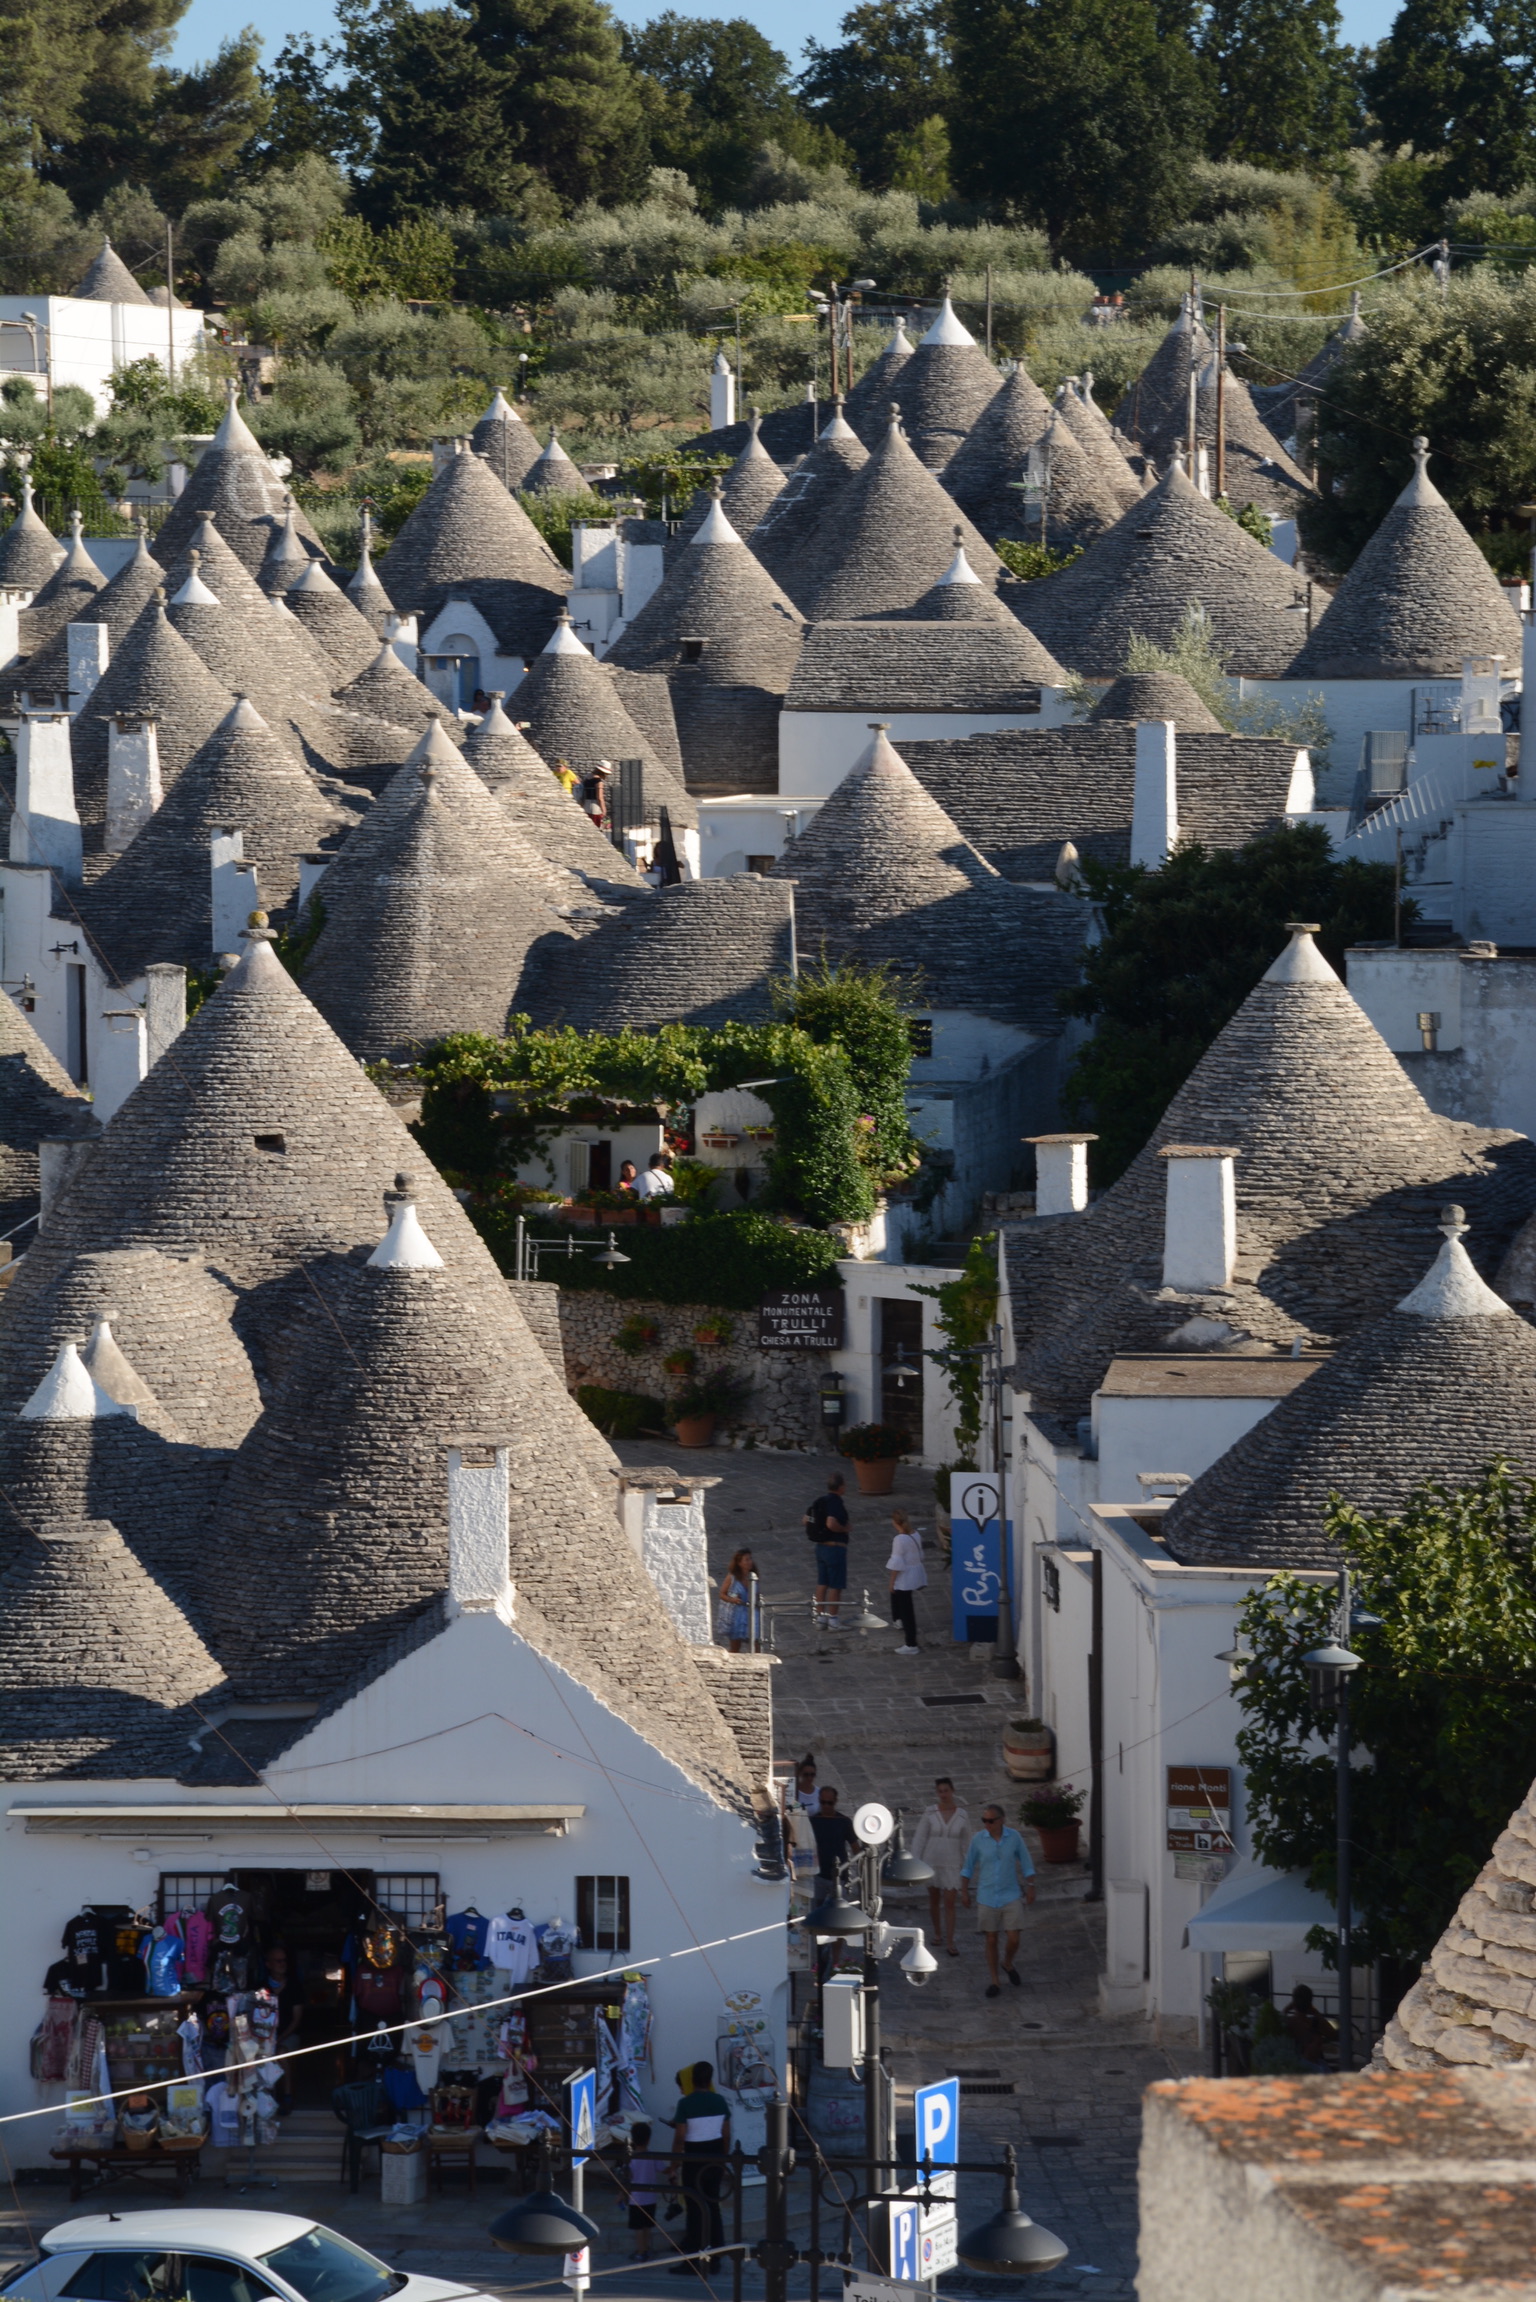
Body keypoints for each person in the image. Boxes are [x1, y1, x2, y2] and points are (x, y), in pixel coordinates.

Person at [960, 1803, 1036, 1997]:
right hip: (987, 1895)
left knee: (1014, 1937)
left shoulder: (1014, 1838)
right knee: (991, 1938)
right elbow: (968, 1866)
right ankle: (995, 1981)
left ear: (1001, 1820)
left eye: (990, 1820)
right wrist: (964, 1891)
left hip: (1010, 1894)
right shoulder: (978, 1840)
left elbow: (1026, 1862)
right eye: (984, 1820)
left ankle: (1007, 1962)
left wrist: (1031, 1886)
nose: (987, 1824)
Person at [668, 2059, 731, 2273]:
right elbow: (726, 2134)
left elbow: (680, 2138)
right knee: (713, 2207)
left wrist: (674, 2163)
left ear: (692, 2080)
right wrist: (724, 2160)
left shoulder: (685, 2104)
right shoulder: (720, 2101)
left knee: (695, 2210)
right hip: (714, 2159)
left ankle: (692, 2261)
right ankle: (716, 2258)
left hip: (694, 2161)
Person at [912, 1778, 970, 1956]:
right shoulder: (929, 1812)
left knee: (950, 1903)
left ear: (952, 1791)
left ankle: (951, 1941)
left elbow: (967, 1842)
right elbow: (920, 1838)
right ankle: (938, 1933)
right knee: (934, 1900)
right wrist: (915, 1862)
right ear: (937, 1793)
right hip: (932, 1862)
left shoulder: (962, 1815)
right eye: (940, 1791)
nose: (943, 1794)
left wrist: (968, 1866)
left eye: (946, 1790)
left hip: (953, 1864)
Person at [804, 1470, 851, 1622]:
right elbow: (831, 1523)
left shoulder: (819, 1501)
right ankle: (833, 1620)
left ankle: (820, 1618)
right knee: (835, 1585)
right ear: (841, 1487)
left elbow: (805, 1519)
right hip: (834, 1547)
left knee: (822, 1583)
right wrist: (844, 1529)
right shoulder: (835, 1502)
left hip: (820, 1548)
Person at [628, 2119, 669, 2261]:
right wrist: (674, 2169)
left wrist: (621, 2195)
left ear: (632, 2138)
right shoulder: (652, 2156)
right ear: (649, 2139)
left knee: (638, 2228)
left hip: (636, 2200)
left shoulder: (630, 2158)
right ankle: (647, 2249)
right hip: (651, 2198)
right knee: (647, 2226)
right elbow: (664, 2169)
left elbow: (627, 2178)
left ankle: (640, 2251)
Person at [886, 1509, 926, 1654]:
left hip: (904, 1577)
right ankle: (898, 1620)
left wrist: (891, 1581)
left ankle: (911, 1644)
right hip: (914, 1573)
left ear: (895, 1522)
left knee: (906, 1609)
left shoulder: (899, 1540)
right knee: (900, 1600)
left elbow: (897, 1563)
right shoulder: (916, 1534)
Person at [1281, 1984, 1336, 2069]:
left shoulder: (1288, 2022)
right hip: (1315, 2064)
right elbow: (1332, 2034)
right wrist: (1316, 2013)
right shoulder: (1315, 2023)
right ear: (1310, 2003)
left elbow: (1279, 2021)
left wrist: (1285, 2010)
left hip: (1293, 2065)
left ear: (1293, 2003)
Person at [810, 1786, 858, 1880]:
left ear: (835, 1801)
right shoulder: (813, 1821)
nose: (826, 1806)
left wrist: (862, 1867)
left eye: (829, 1803)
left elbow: (854, 1845)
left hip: (840, 1875)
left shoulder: (844, 1822)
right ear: (819, 1800)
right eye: (823, 1802)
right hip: (819, 1875)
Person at [715, 1549, 754, 1653]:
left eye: (750, 1559)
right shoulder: (732, 1577)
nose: (750, 1562)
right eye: (746, 1560)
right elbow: (722, 1594)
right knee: (735, 1647)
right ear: (739, 1563)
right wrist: (732, 1600)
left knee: (756, 1643)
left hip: (750, 1615)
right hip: (735, 1616)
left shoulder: (753, 1576)